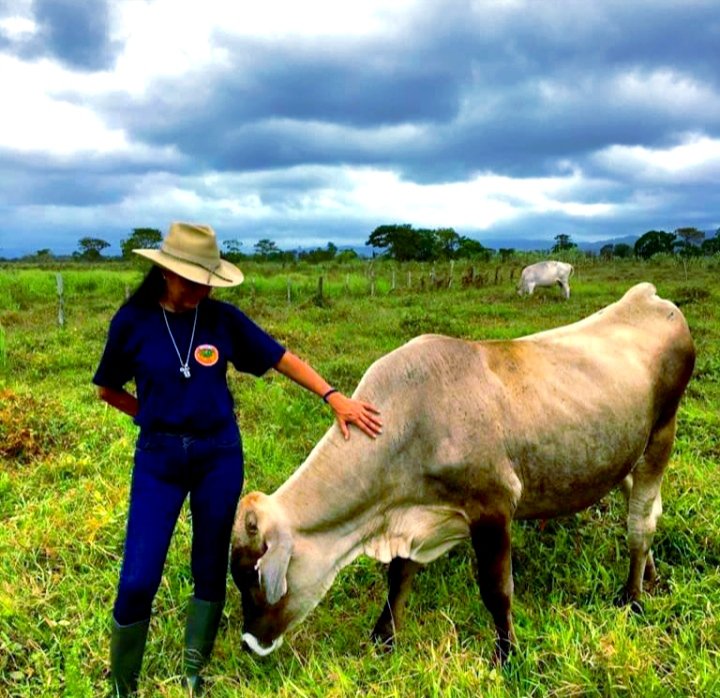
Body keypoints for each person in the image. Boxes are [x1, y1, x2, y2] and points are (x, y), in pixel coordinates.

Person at [93, 222, 382, 697]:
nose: (201, 289)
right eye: (192, 280)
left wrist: (333, 396)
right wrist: (153, 417)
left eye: (207, 279)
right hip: (158, 461)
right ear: (166, 273)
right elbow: (108, 388)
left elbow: (279, 357)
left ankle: (193, 674)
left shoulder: (222, 320)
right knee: (138, 577)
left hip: (218, 457)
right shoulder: (133, 322)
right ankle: (123, 687)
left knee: (208, 566)